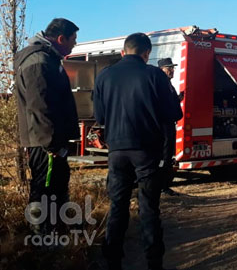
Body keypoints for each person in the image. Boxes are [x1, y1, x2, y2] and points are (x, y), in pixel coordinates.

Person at [94, 33, 183, 270]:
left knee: (117, 206)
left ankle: (112, 260)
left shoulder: (104, 76)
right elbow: (175, 114)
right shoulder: (154, 75)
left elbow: (100, 117)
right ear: (146, 54)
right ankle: (154, 262)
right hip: (146, 151)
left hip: (117, 151)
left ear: (123, 52)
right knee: (148, 207)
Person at [15, 18, 80, 234]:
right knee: (44, 188)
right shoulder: (39, 61)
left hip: (50, 140)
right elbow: (39, 106)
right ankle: (42, 238)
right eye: (73, 40)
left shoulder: (49, 59)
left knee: (56, 187)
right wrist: (51, 144)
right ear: (61, 38)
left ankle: (56, 232)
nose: (74, 45)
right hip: (45, 143)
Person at [157, 58, 184, 196]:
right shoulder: (160, 85)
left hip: (168, 125)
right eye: (169, 68)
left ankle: (164, 185)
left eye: (172, 67)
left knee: (167, 157)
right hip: (163, 127)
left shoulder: (168, 85)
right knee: (163, 157)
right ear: (161, 69)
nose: (172, 70)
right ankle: (162, 186)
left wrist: (178, 99)